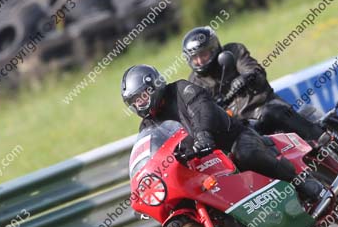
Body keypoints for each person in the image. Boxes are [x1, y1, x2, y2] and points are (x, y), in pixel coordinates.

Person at [121, 64, 324, 201]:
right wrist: (142, 188)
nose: (140, 103)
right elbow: (150, 156)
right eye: (135, 101)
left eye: (142, 96)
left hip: (230, 140)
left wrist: (203, 135)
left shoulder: (181, 89)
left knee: (247, 154)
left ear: (154, 86)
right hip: (200, 166)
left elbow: (202, 109)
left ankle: (301, 182)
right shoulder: (148, 126)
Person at [182, 26, 325, 141]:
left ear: (214, 49)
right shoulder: (194, 82)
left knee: (272, 112)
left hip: (261, 106)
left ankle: (320, 138)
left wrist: (245, 78)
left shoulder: (233, 51)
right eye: (195, 57)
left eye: (203, 54)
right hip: (240, 126)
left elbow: (255, 70)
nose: (199, 61)